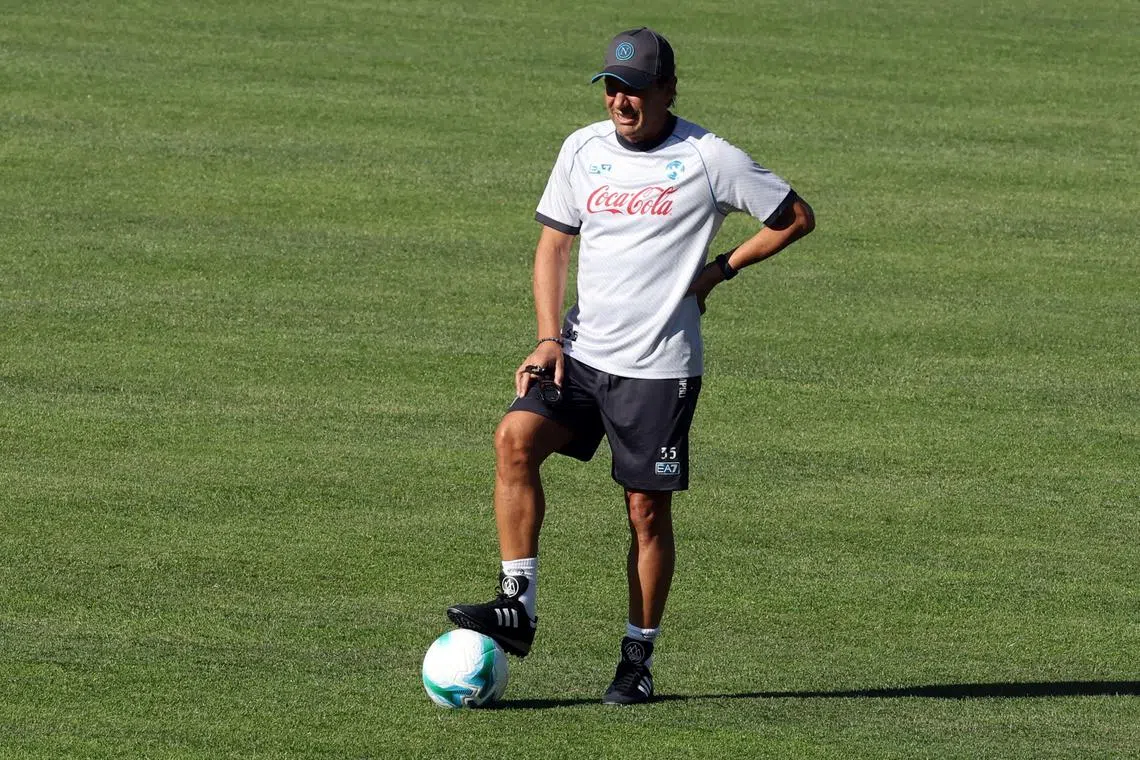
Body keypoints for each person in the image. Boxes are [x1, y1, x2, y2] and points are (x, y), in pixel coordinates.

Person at [447, 27, 815, 705]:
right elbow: (554, 246)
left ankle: (636, 660)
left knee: (645, 513)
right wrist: (547, 338)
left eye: (636, 88)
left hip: (658, 369)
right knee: (514, 439)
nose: (621, 101)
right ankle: (517, 606)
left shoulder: (709, 157)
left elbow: (794, 217)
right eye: (612, 87)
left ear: (668, 89)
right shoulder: (582, 149)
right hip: (580, 355)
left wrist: (719, 271)